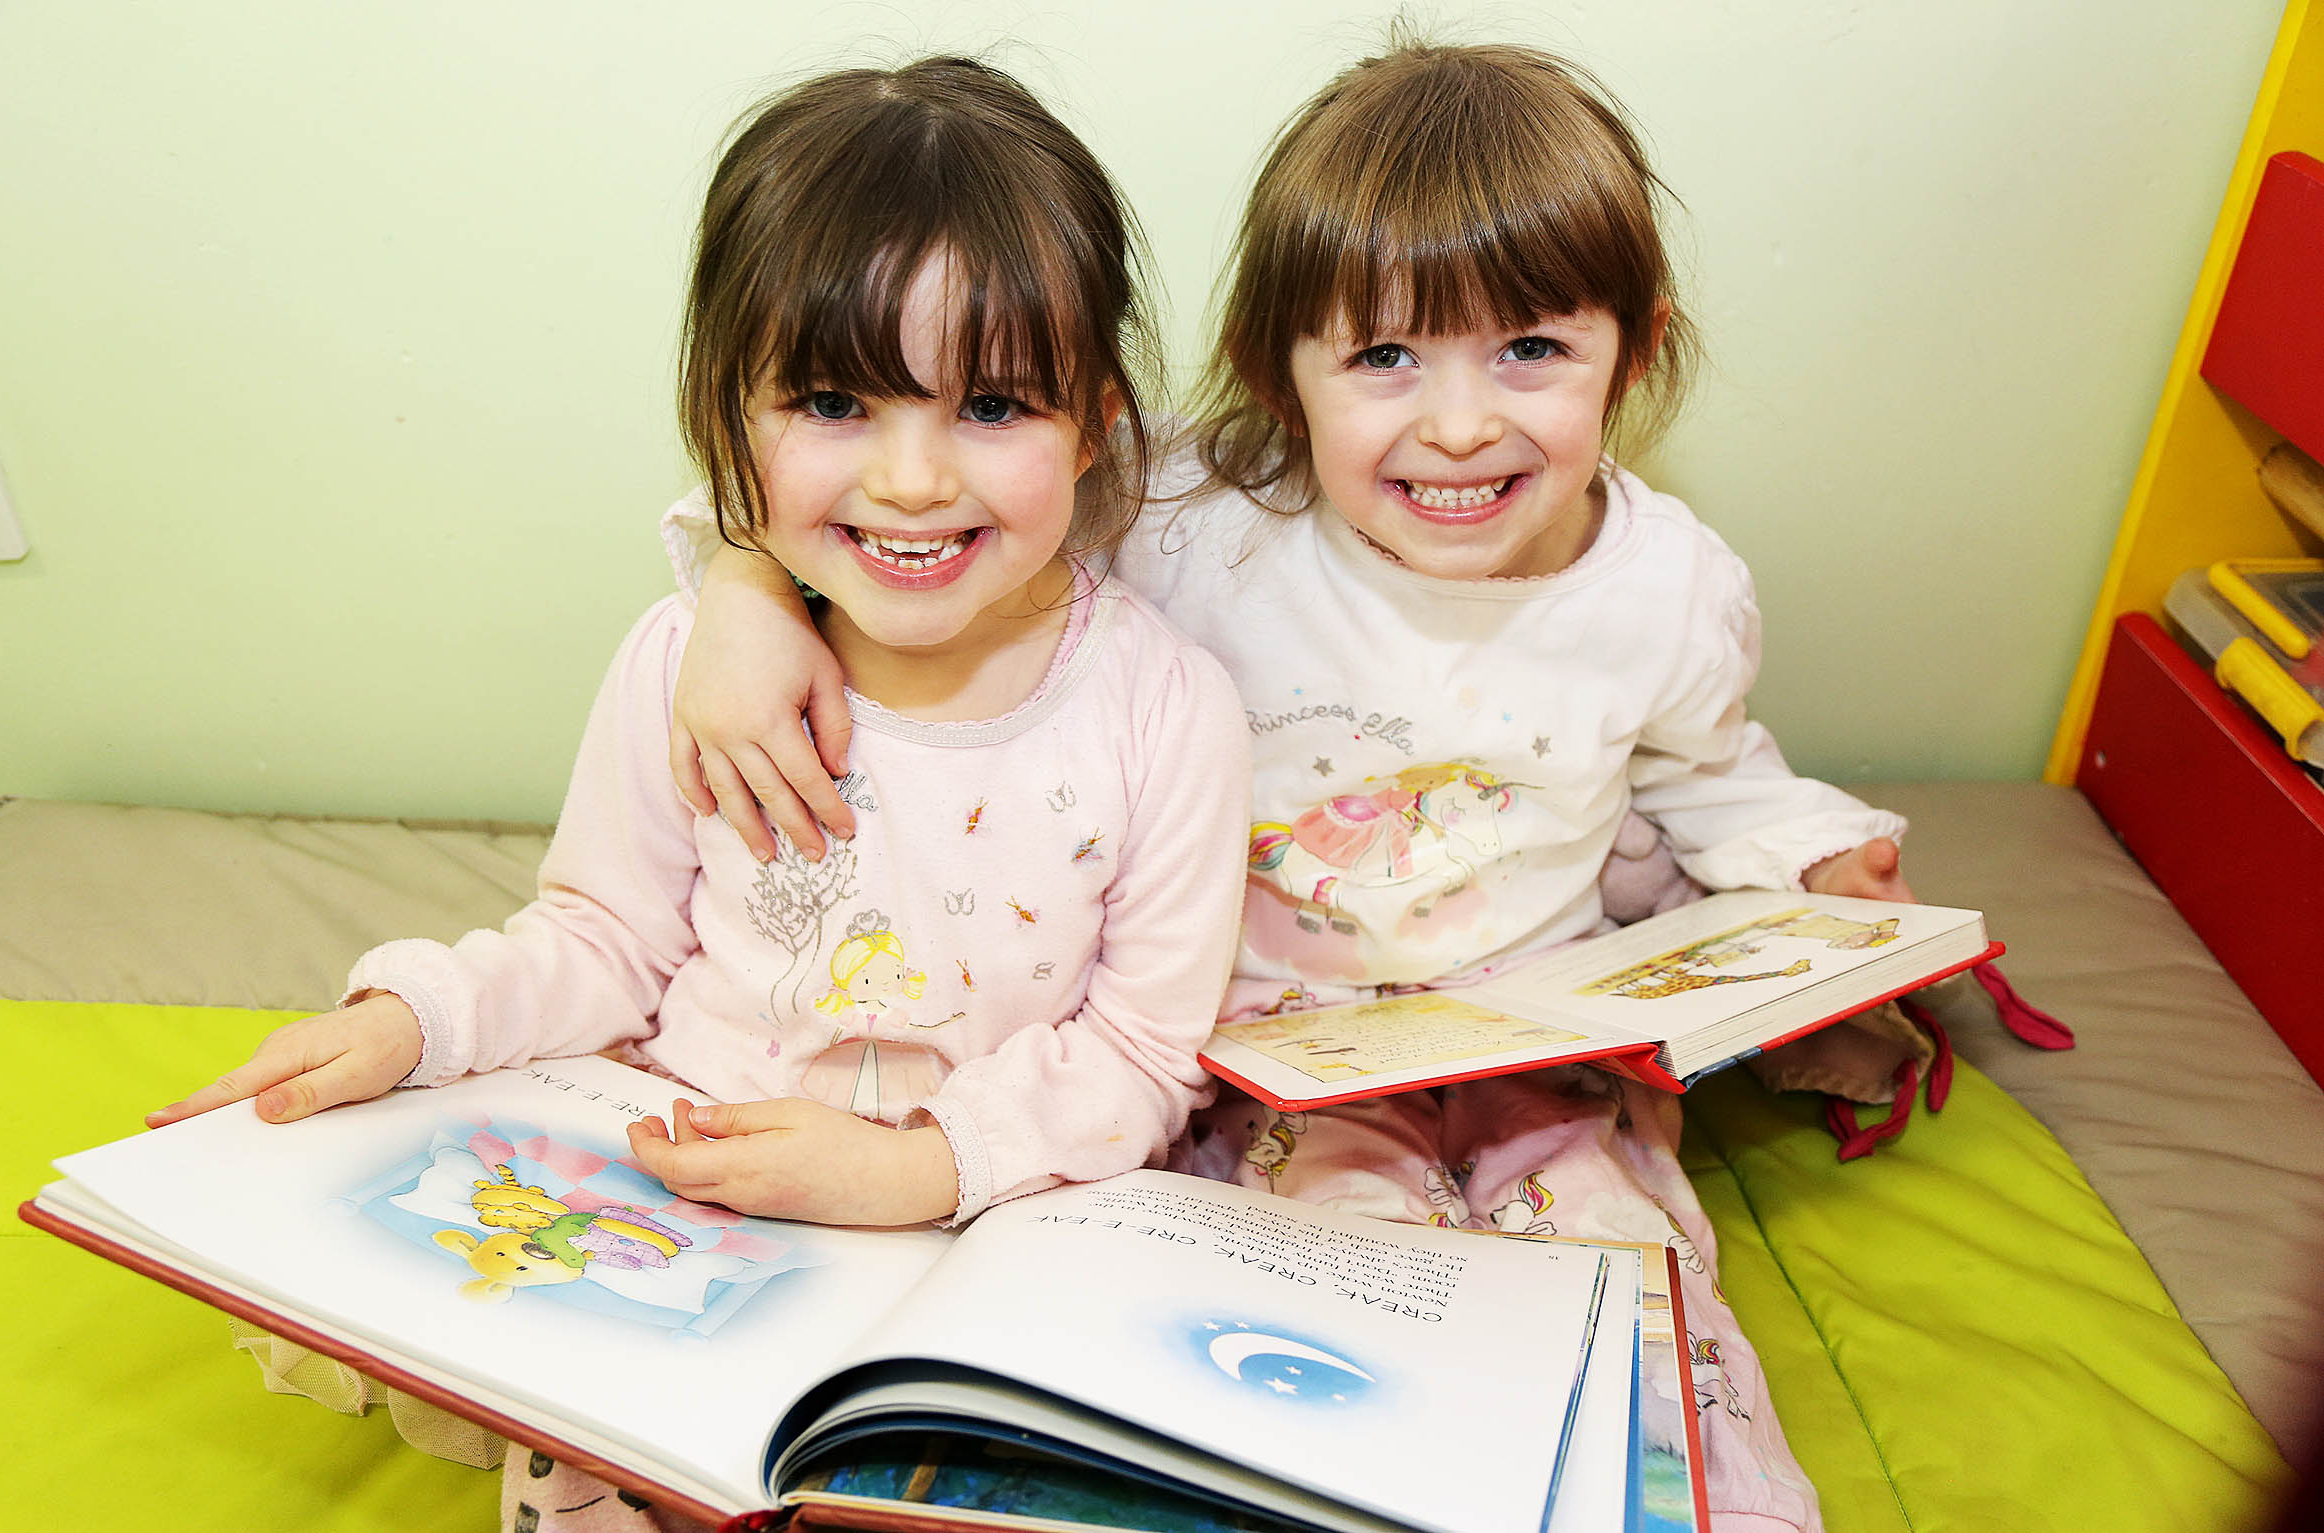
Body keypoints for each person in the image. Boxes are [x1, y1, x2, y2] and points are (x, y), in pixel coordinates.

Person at [660, 35, 1919, 1533]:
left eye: (1530, 349)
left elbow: (1708, 770)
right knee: (1324, 1355)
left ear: (1635, 352)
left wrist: (1816, 859)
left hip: (1545, 1049)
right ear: (1281, 371)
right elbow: (917, 512)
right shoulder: (1194, 517)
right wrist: (742, 588)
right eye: (1384, 357)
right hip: (1271, 1052)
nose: (1459, 423)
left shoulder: (1670, 588)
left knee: (1627, 1313)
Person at [147, 55, 1250, 1533]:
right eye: (833, 401)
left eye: (991, 404)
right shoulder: (688, 659)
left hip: (992, 1231)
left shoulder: (1168, 707)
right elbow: (602, 937)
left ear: (1096, 421)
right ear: (729, 420)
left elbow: (1143, 1050)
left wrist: (919, 1169)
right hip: (697, 1216)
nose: (912, 479)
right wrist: (417, 1019)